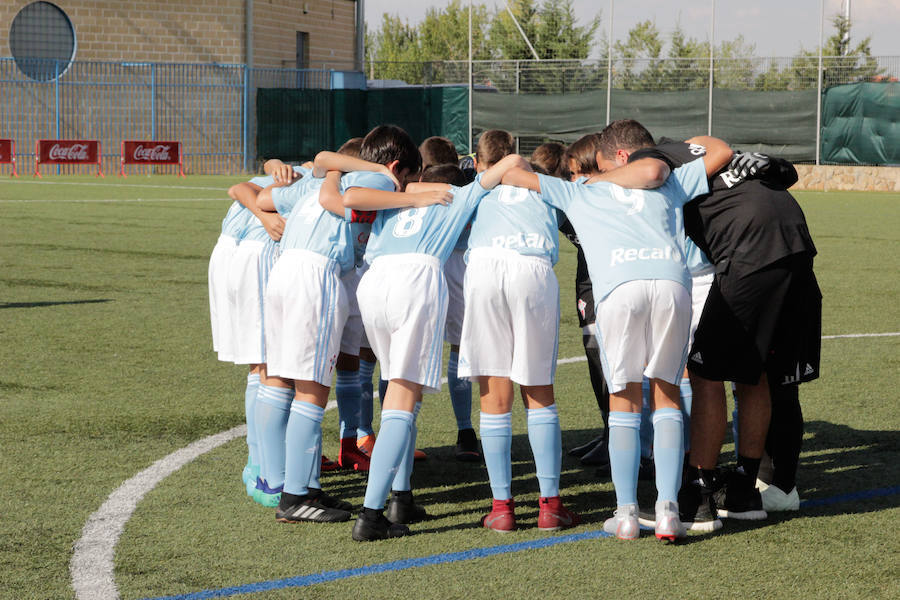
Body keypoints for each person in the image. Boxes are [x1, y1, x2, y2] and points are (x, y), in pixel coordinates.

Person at [501, 121, 732, 541]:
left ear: (614, 158)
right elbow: (720, 150)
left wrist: (598, 178)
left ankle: (626, 513)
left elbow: (512, 174)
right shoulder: (667, 181)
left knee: (623, 397)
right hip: (670, 284)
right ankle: (667, 510)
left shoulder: (581, 189)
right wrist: (667, 150)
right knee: (666, 394)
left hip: (619, 288)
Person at [337, 131, 528, 541]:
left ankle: (400, 497)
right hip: (414, 280)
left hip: (375, 280)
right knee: (402, 401)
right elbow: (504, 168)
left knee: (397, 391)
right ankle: (370, 517)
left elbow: (350, 196)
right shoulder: (457, 195)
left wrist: (413, 189)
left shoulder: (392, 188)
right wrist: (518, 164)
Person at [627, 138, 820, 527]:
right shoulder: (697, 147)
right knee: (755, 372)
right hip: (796, 243)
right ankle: (744, 489)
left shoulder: (650, 160)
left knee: (705, 373)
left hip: (751, 250)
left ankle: (698, 494)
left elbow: (648, 180)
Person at [459, 130, 580, 532]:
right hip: (531, 266)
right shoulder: (547, 186)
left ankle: (502, 507)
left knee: (495, 392)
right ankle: (549, 506)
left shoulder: (482, 187)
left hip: (485, 267)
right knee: (538, 390)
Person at [418, 135, 482, 461]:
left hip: (425, 268)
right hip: (456, 268)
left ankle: (384, 432)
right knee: (461, 348)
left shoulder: (428, 187)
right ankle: (465, 431)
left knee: (405, 353)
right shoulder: (466, 185)